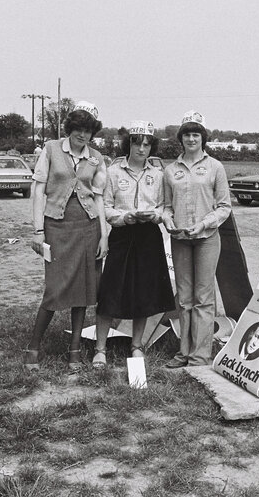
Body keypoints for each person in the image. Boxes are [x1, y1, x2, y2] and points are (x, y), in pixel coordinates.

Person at [24, 101, 108, 371]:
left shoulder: (97, 158)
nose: (82, 135)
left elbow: (99, 199)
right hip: (57, 227)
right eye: (78, 129)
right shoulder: (50, 149)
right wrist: (38, 231)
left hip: (88, 227)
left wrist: (104, 235)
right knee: (55, 288)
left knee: (84, 290)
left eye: (88, 131)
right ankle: (33, 348)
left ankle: (74, 352)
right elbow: (38, 191)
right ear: (70, 128)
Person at [93, 121, 175, 368]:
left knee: (144, 293)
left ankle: (136, 346)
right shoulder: (114, 172)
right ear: (128, 144)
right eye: (137, 143)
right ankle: (100, 349)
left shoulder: (158, 175)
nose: (142, 149)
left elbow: (164, 206)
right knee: (111, 291)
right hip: (123, 234)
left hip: (149, 236)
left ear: (152, 147)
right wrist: (123, 217)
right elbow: (105, 206)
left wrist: (157, 215)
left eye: (147, 144)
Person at [162, 111, 231, 368]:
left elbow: (224, 207)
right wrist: (167, 220)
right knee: (184, 298)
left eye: (196, 134)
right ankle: (184, 351)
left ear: (203, 138)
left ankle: (200, 356)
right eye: (187, 135)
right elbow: (166, 206)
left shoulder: (215, 167)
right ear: (181, 138)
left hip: (207, 239)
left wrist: (203, 223)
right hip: (180, 239)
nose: (191, 139)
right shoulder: (170, 170)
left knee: (204, 298)